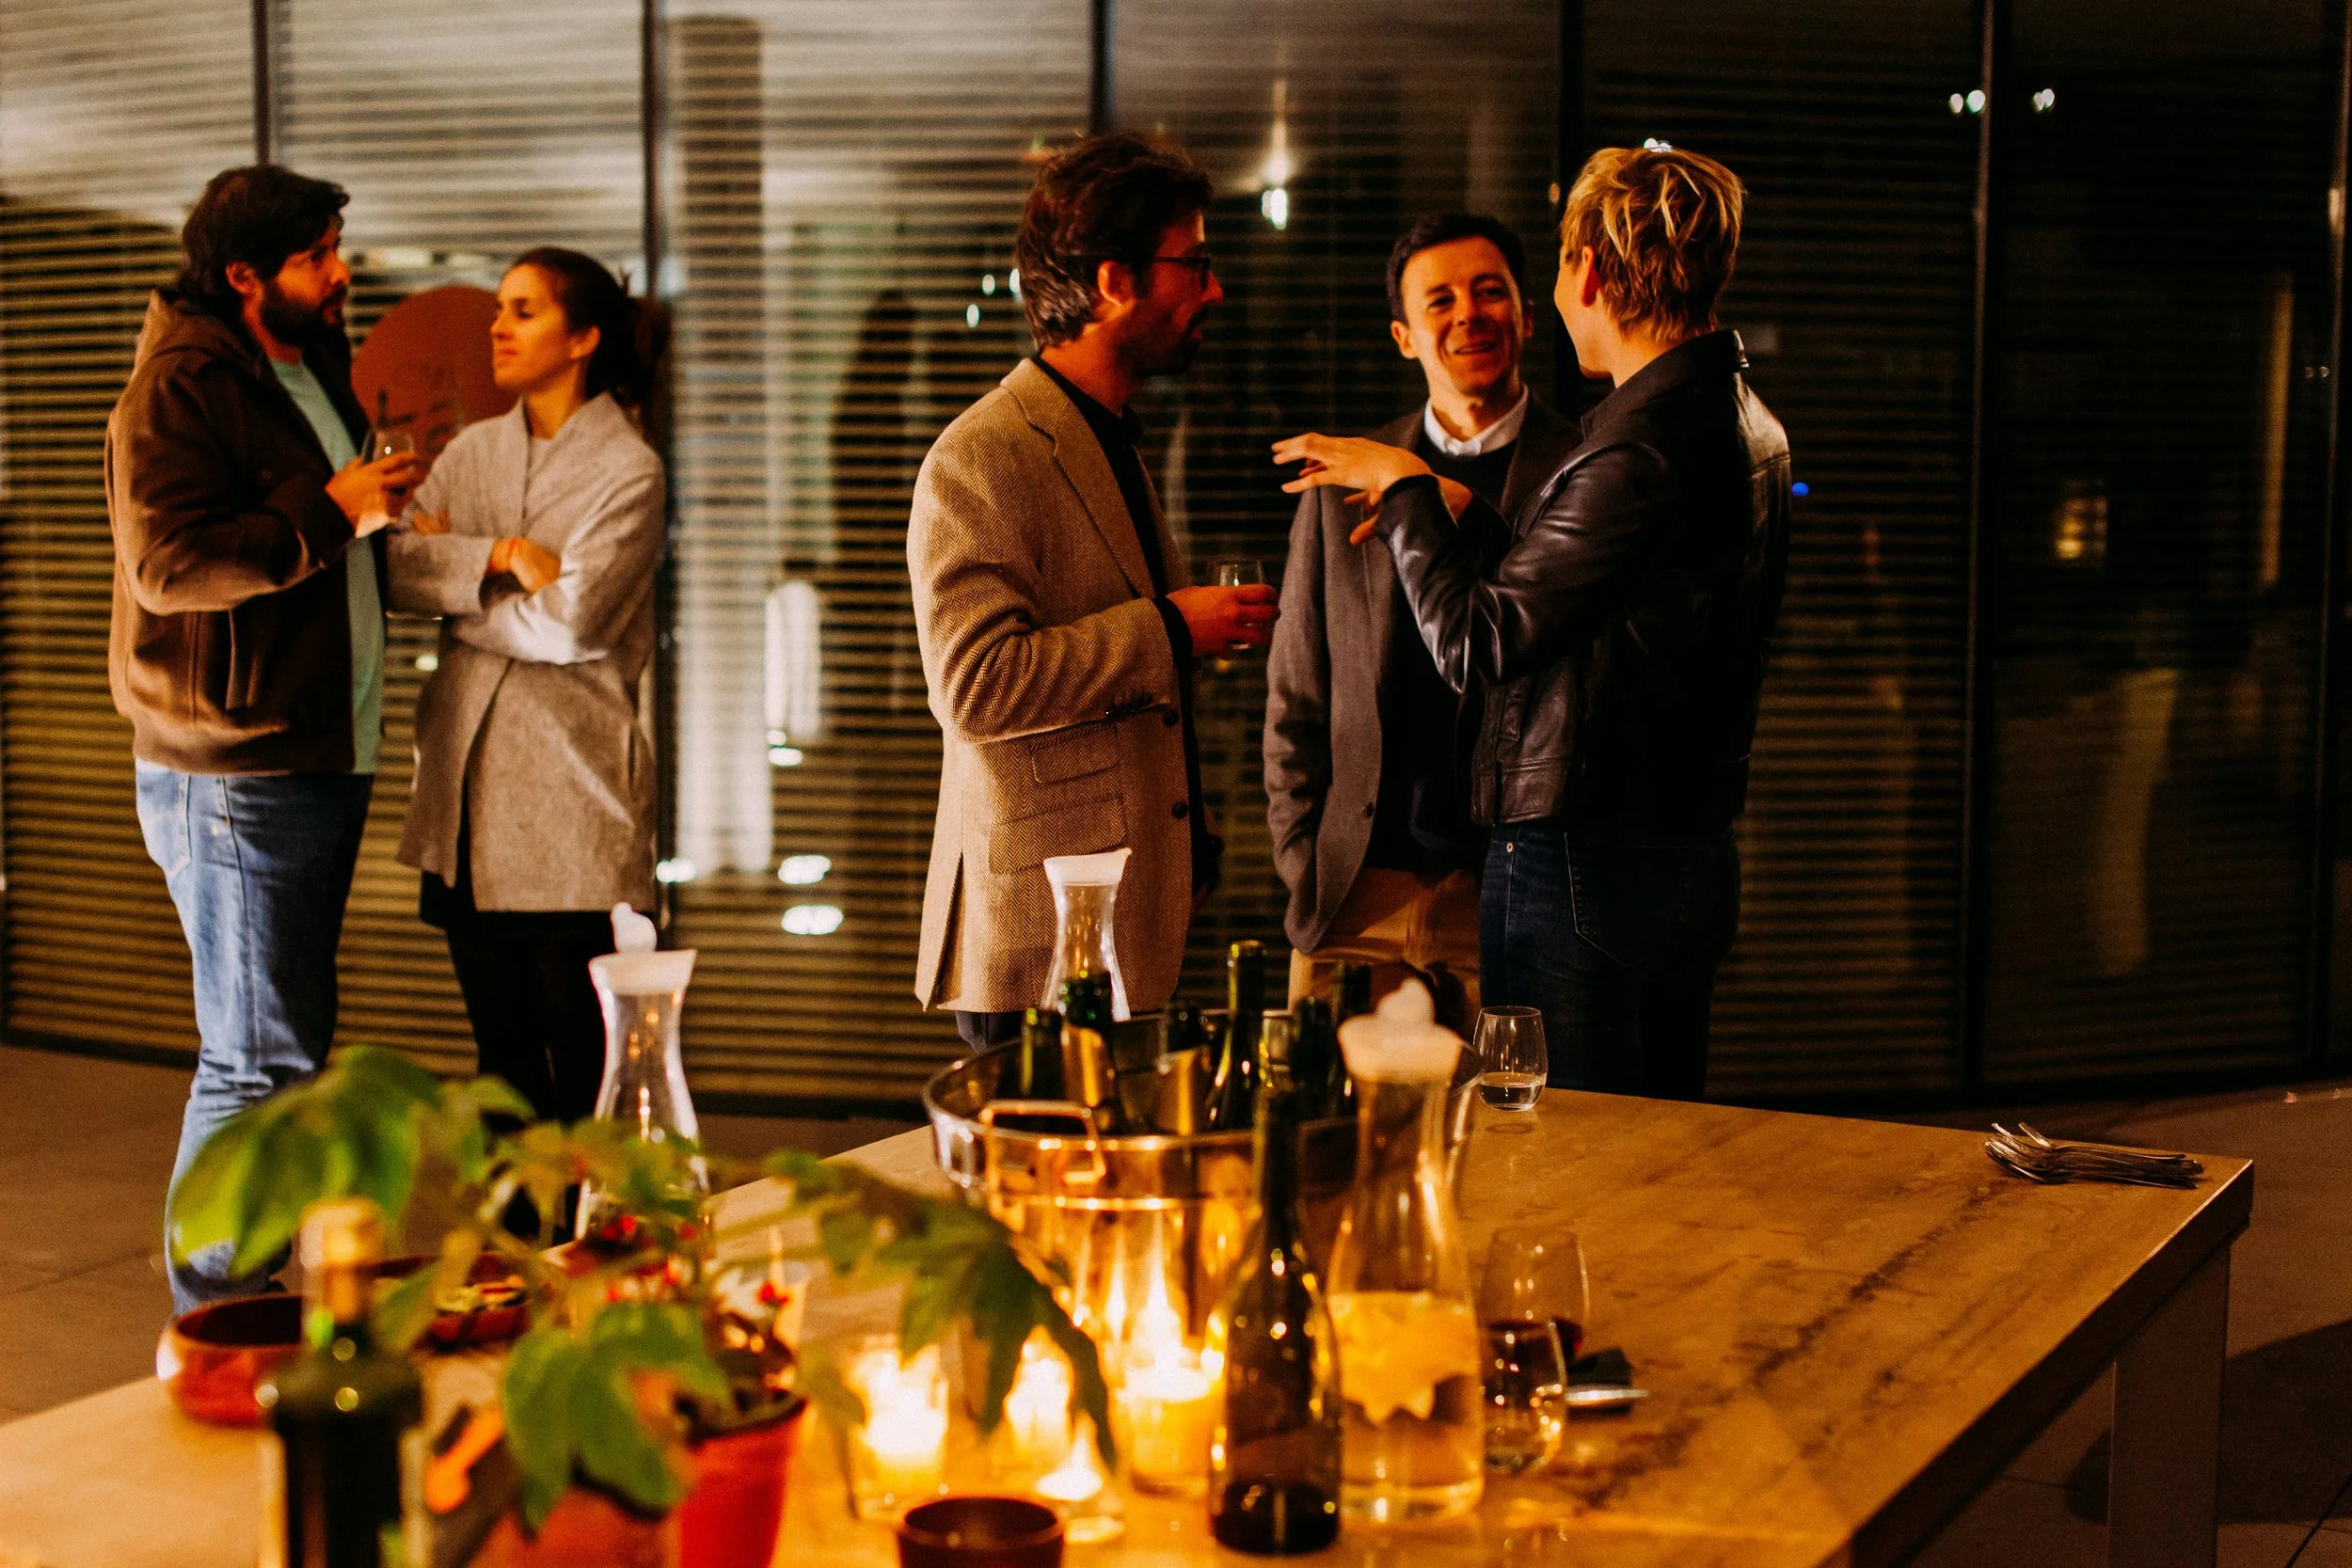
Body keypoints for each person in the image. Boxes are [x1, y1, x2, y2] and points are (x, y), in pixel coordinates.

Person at [1273, 146, 1791, 1100]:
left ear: (1584, 272)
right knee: (1645, 1142)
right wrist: (1485, 521)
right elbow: (1621, 618)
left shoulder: (1631, 444)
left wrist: (1407, 494)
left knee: (1569, 1160)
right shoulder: (1740, 418)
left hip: (1583, 863)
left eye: (1542, 271)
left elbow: (1479, 645)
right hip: (1673, 850)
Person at [107, 165, 424, 1310]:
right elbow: (170, 563)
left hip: (309, 751)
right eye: (317, 255)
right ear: (244, 276)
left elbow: (335, 523)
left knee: (282, 1050)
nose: (341, 271)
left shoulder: (306, 363)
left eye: (338, 245)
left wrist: (376, 511)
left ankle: (242, 1291)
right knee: (255, 1059)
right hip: (232, 769)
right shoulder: (180, 383)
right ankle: (215, 1309)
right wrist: (331, 512)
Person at [908, 132, 1277, 1047]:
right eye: (1193, 263)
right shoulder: (981, 452)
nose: (1214, 290)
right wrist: (1169, 627)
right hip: (1035, 945)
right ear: (1115, 283)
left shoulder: (1109, 431)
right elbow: (976, 685)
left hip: (1117, 923)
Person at [1263, 214, 1577, 1031]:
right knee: (1320, 1141)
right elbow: (1297, 694)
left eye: (1489, 292)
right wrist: (1303, 860)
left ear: (1528, 315)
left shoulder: (1582, 470)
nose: (1468, 314)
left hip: (1503, 888)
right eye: (1439, 301)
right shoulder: (1345, 475)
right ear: (1405, 336)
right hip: (1352, 891)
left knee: (1505, 1148)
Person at [387, 248, 665, 1122]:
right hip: (465, 802)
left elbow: (575, 622)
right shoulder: (473, 450)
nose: (497, 327)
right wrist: (503, 558)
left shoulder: (629, 469)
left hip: (569, 808)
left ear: (582, 337)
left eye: (524, 310)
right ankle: (514, 1248)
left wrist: (456, 581)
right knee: (500, 1059)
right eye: (500, 308)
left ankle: (585, 1250)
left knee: (583, 1063)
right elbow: (394, 570)